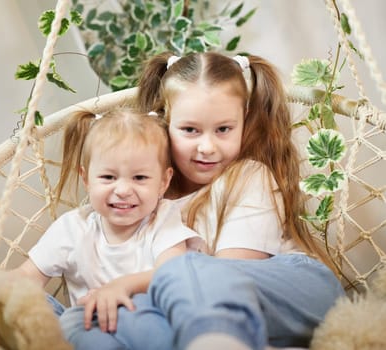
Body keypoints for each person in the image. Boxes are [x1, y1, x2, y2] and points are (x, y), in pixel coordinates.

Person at [63, 52, 345, 350]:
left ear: (244, 117)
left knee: (187, 269)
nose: (207, 147)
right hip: (212, 316)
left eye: (223, 129)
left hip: (300, 293)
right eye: (190, 130)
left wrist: (127, 284)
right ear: (165, 118)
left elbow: (221, 279)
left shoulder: (248, 177)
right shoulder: (142, 196)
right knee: (82, 319)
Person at [0, 108, 201, 347]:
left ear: (164, 181)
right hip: (84, 330)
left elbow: (171, 272)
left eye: (139, 178)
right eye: (108, 177)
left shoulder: (163, 220)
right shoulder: (73, 228)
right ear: (86, 179)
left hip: (144, 328)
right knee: (32, 301)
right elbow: (27, 277)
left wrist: (120, 287)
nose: (123, 190)